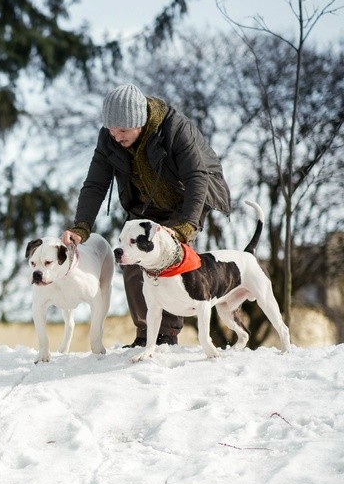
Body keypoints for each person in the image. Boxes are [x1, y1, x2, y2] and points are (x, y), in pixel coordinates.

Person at [61, 83, 232, 346]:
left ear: (139, 121)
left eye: (123, 130)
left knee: (166, 258)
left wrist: (187, 225)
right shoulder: (109, 139)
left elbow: (197, 176)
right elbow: (95, 184)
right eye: (111, 129)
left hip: (185, 199)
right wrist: (81, 226)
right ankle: (145, 333)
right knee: (131, 258)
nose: (116, 136)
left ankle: (167, 335)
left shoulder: (175, 128)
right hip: (144, 204)